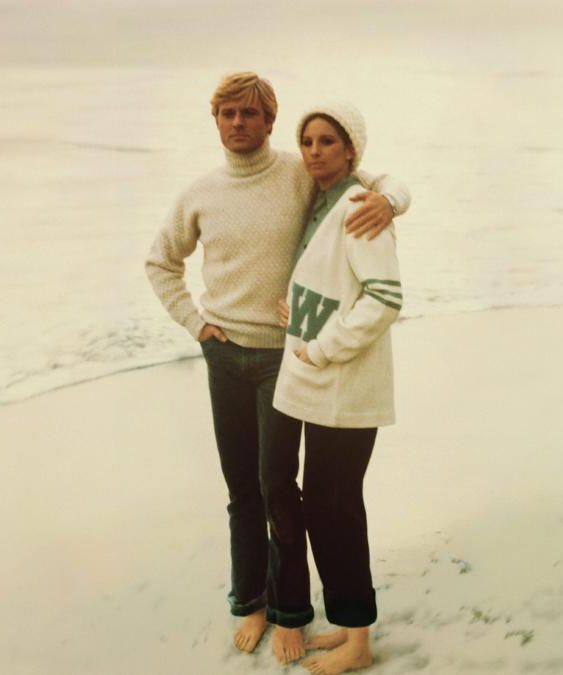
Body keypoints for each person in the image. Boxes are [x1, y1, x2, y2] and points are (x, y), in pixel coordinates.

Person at [143, 72, 410, 664]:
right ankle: (252, 601)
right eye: (228, 114)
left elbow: (372, 180)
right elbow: (161, 262)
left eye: (250, 114)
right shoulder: (199, 194)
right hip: (224, 353)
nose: (239, 123)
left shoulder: (300, 172)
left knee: (277, 489)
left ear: (269, 121)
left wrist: (391, 200)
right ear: (215, 121)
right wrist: (196, 326)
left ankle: (293, 610)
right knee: (241, 490)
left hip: (282, 360)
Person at [272, 102, 403, 674]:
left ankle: (359, 641)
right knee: (323, 508)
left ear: (351, 150)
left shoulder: (358, 206)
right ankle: (349, 624)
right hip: (318, 383)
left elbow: (384, 298)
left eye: (328, 141)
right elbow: (329, 281)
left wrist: (322, 347)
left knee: (336, 510)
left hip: (345, 387)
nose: (314, 151)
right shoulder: (320, 202)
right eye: (307, 141)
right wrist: (297, 313)